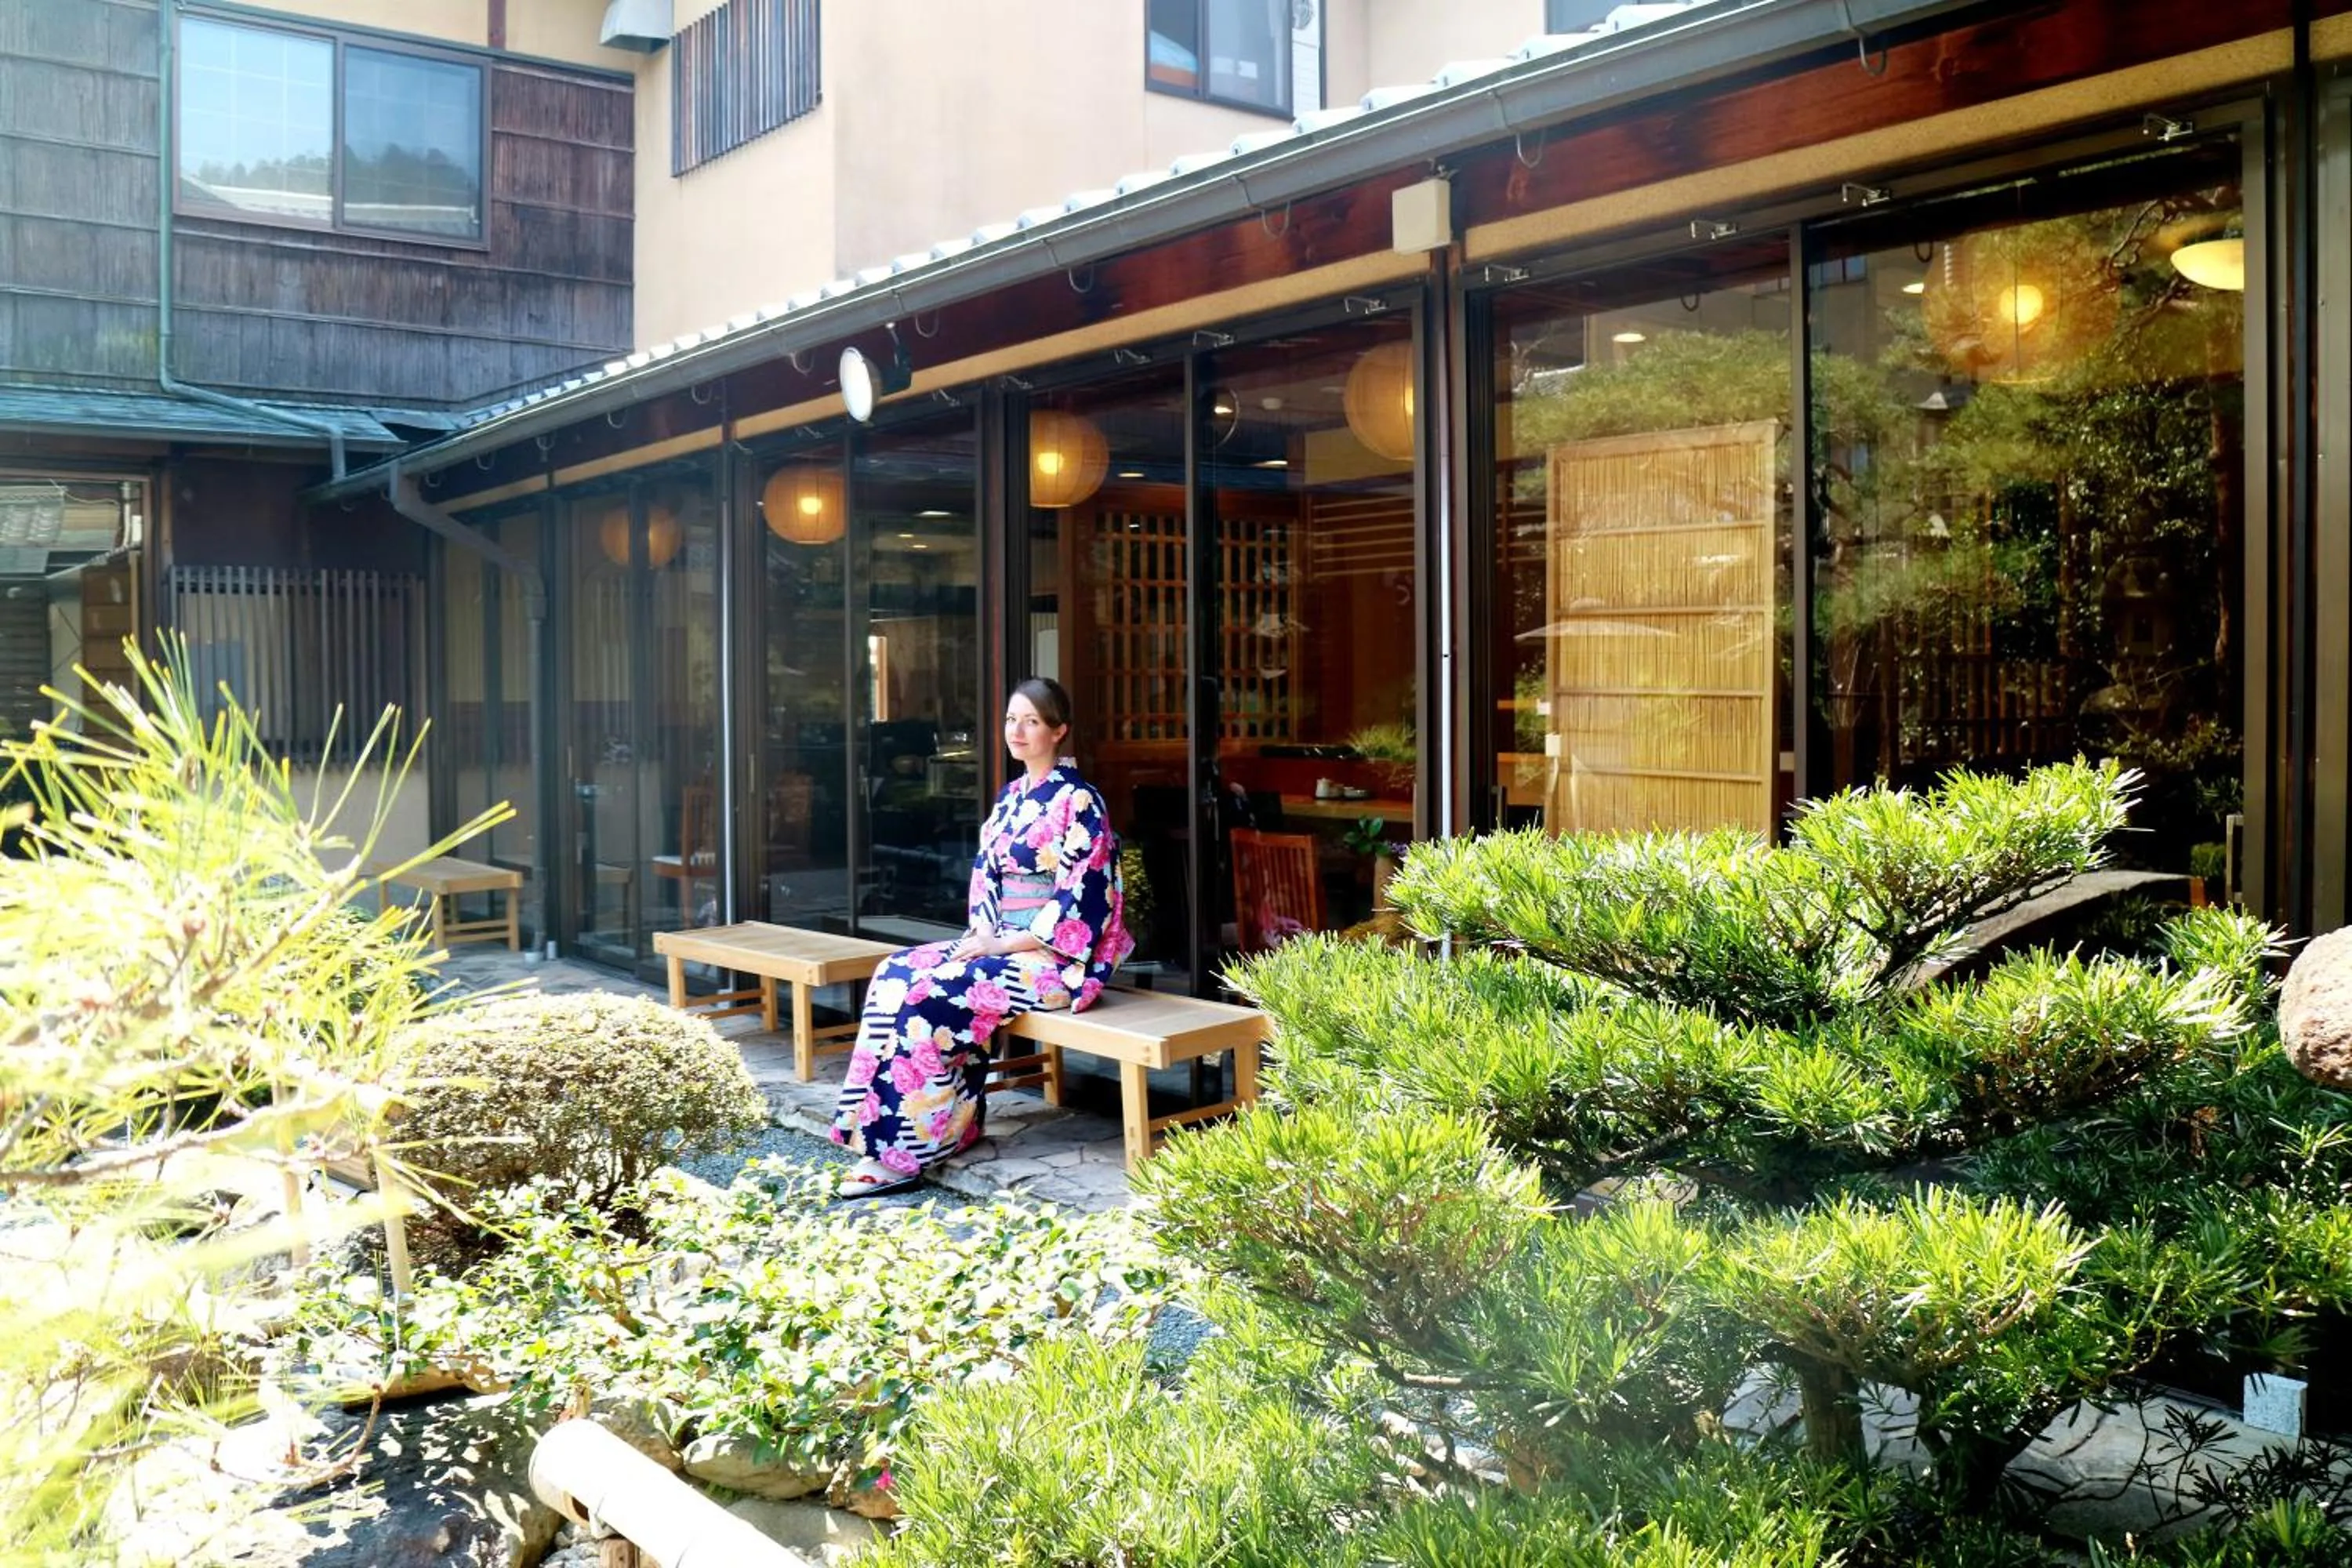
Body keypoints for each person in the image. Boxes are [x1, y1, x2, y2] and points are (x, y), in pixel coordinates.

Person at [830, 677, 1131, 1197]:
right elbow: (986, 875)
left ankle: (902, 1154)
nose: (1018, 730)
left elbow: (1084, 896)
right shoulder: (1012, 796)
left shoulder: (1081, 801)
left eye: (1032, 721)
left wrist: (1002, 945)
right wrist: (986, 931)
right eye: (1012, 718)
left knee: (930, 997)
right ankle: (943, 1127)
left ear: (1059, 732)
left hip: (1054, 960)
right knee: (894, 974)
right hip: (1000, 944)